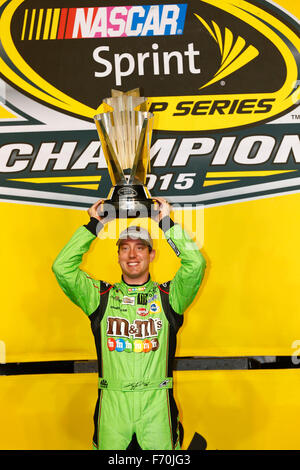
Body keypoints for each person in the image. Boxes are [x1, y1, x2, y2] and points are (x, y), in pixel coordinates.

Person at [52, 197, 206, 450]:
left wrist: (165, 223)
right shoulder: (100, 297)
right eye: (124, 248)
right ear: (118, 256)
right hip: (113, 406)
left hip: (157, 405)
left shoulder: (170, 297)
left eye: (140, 248)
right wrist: (94, 226)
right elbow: (62, 268)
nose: (132, 255)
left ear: (151, 254)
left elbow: (195, 264)